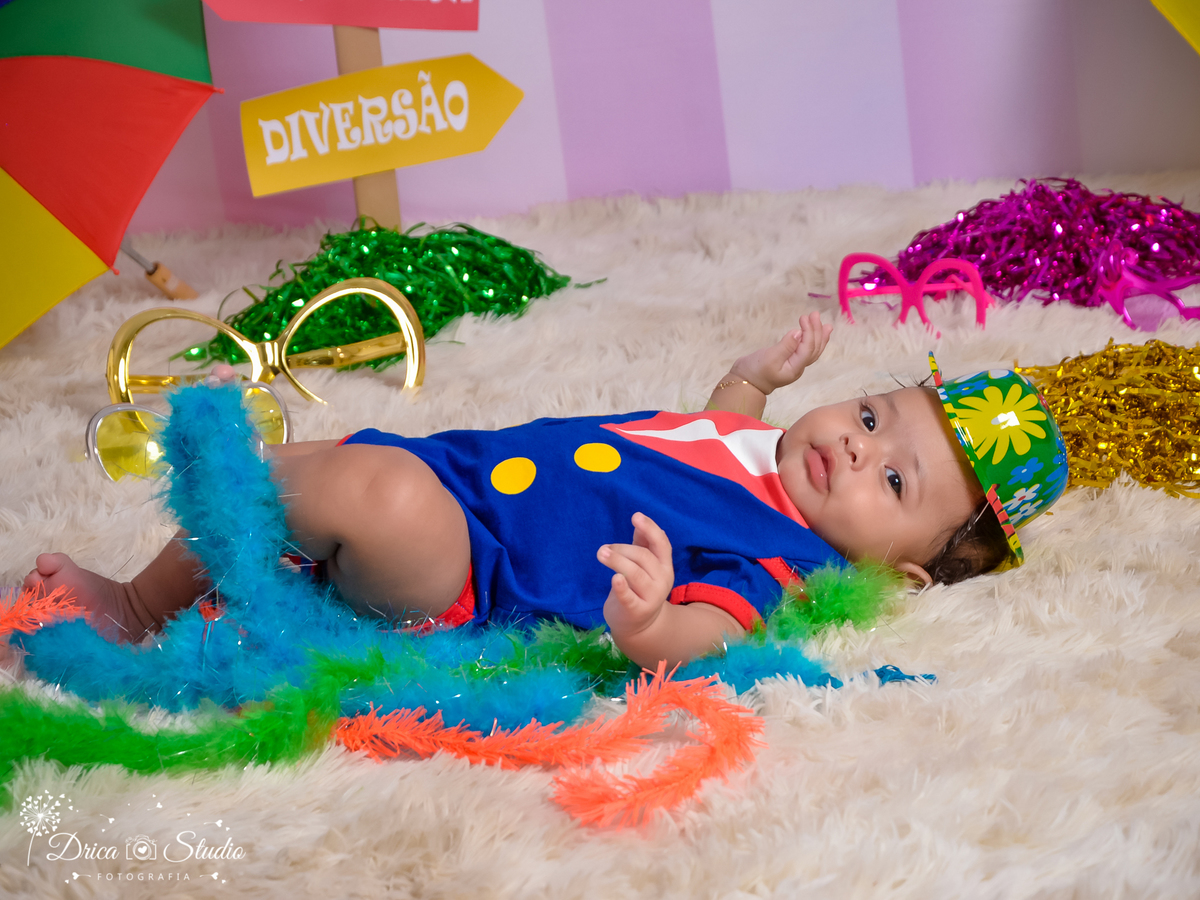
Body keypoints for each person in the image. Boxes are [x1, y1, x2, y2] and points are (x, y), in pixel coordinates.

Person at [22, 313, 1068, 669]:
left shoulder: (789, 563)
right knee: (300, 474)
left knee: (370, 496)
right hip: (461, 473)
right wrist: (757, 375)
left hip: (477, 569)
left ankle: (146, 612)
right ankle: (144, 595)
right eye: (873, 416)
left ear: (908, 570)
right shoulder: (767, 442)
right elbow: (718, 420)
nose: (851, 445)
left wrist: (651, 621)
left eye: (892, 480)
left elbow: (711, 636)